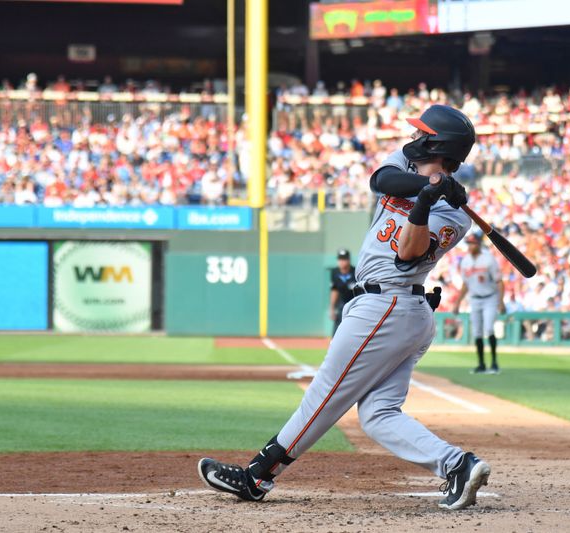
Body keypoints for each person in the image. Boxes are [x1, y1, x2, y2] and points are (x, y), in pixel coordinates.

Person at [198, 104, 491, 511]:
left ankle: (257, 477)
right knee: (378, 414)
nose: (415, 139)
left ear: (437, 143)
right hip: (386, 308)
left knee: (324, 394)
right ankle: (458, 465)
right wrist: (430, 184)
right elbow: (381, 179)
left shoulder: (455, 217)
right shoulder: (407, 164)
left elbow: (408, 255)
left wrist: (429, 199)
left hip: (389, 305)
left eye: (424, 134)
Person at [452, 233, 505, 374]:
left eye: (473, 243)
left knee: (489, 329)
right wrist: (458, 302)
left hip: (490, 297)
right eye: (469, 243)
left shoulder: (488, 259)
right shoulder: (465, 261)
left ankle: (494, 363)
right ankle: (481, 364)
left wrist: (501, 301)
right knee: (477, 332)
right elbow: (465, 284)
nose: (470, 246)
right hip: (474, 299)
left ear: (479, 244)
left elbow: (499, 281)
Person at [329, 248, 356, 335]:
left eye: (344, 259)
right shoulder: (335, 272)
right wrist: (332, 308)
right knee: (336, 333)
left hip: (354, 306)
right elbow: (334, 290)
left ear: (349, 260)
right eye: (340, 259)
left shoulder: (355, 272)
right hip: (341, 306)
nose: (341, 261)